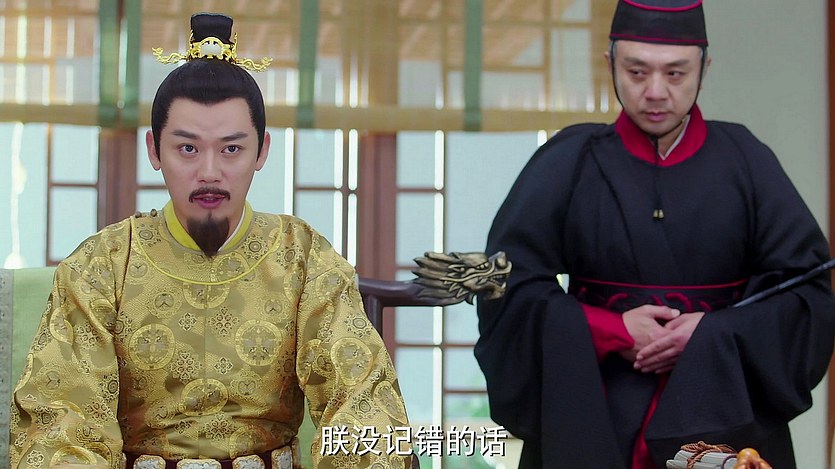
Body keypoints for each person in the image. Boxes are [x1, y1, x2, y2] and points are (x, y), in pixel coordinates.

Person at [9, 13, 412, 469]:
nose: (209, 172)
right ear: (153, 150)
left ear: (262, 151)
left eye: (231, 148)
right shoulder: (103, 263)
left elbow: (361, 400)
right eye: (187, 148)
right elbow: (63, 418)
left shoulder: (303, 257)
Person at [474, 1, 835, 468]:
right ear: (610, 63)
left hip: (721, 411)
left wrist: (714, 334)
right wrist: (609, 329)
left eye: (676, 73)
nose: (656, 92)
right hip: (594, 407)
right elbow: (505, 285)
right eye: (637, 72)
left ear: (705, 67)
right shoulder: (569, 160)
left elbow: (807, 297)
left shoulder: (746, 160)